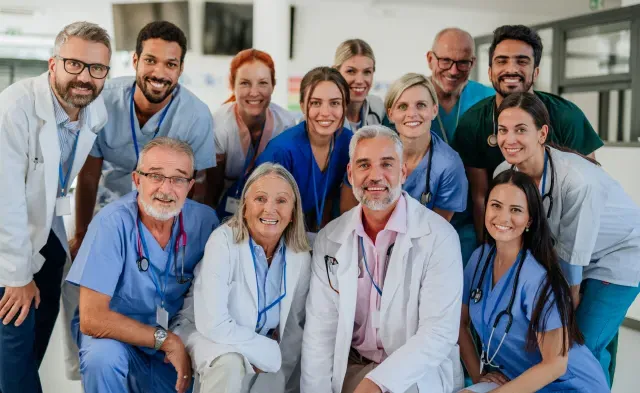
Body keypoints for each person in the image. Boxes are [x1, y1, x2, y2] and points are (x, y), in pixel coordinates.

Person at [65, 21, 216, 378]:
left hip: (165, 210)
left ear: (180, 68)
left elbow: (204, 183)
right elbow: (89, 170)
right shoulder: (106, 100)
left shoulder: (194, 115)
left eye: (171, 64)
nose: (159, 72)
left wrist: (192, 229)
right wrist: (84, 230)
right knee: (91, 303)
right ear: (134, 61)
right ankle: (87, 366)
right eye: (151, 60)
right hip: (108, 208)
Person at [302, 125, 464, 393]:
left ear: (403, 172)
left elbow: (438, 333)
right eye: (364, 165)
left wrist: (376, 384)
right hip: (354, 366)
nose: (375, 176)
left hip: (415, 371)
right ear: (350, 174)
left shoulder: (439, 236)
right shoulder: (330, 238)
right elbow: (320, 333)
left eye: (386, 164)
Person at [493, 92, 640, 387]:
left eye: (521, 129)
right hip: (570, 258)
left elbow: (572, 262)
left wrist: (566, 310)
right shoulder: (505, 174)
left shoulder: (577, 181)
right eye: (503, 130)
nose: (510, 139)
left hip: (620, 255)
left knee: (579, 345)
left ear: (542, 133)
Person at [0, 21, 111, 393]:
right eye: (75, 64)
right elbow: (7, 200)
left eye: (97, 69)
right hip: (8, 249)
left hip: (47, 238)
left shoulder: (94, 115)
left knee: (33, 351)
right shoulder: (16, 108)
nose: (85, 77)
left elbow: (57, 183)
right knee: (13, 365)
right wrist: (17, 277)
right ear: (53, 64)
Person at [66, 138, 219, 393]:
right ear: (137, 180)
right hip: (117, 337)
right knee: (102, 359)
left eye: (178, 179)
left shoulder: (205, 223)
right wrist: (165, 341)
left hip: (176, 337)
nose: (166, 189)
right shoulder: (111, 224)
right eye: (156, 176)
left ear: (190, 186)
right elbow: (92, 319)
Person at [451, 24, 603, 265]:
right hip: (512, 231)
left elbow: (592, 189)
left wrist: (576, 266)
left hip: (576, 239)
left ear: (536, 71)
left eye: (522, 61)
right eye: (502, 61)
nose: (511, 69)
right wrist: (490, 253)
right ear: (490, 71)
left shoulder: (565, 116)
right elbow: (481, 197)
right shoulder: (473, 123)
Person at [459, 170, 610, 393]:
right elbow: (459, 325)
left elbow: (556, 365)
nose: (502, 218)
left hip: (570, 386)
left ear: (529, 219)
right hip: (521, 382)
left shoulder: (536, 279)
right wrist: (478, 376)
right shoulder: (479, 259)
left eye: (516, 210)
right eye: (496, 205)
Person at [173, 163, 311, 393]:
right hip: (204, 333)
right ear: (245, 206)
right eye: (260, 199)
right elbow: (213, 324)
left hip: (262, 345)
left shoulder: (300, 256)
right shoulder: (223, 242)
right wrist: (266, 352)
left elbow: (292, 329)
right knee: (229, 363)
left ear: (293, 211)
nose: (270, 209)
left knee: (276, 381)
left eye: (281, 201)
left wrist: (276, 364)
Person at [340, 73, 467, 222]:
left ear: (434, 110)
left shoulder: (449, 165)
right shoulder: (370, 148)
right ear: (390, 114)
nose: (412, 114)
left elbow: (436, 229)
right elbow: (348, 214)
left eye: (421, 105)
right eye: (402, 106)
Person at [255, 66, 353, 236]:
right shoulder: (282, 151)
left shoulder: (348, 143)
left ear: (345, 106)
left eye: (335, 103)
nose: (325, 112)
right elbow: (257, 212)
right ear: (302, 106)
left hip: (307, 229)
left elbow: (329, 198)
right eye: (315, 103)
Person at [210, 49, 297, 219]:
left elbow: (286, 185)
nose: (254, 92)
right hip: (224, 208)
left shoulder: (285, 124)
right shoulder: (219, 124)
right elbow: (211, 190)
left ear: (273, 85)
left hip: (270, 209)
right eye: (245, 83)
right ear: (232, 85)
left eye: (263, 83)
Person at [427, 27, 495, 144]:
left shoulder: (490, 99)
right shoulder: (408, 96)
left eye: (463, 62)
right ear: (430, 59)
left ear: (472, 62)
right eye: (445, 61)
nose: (453, 71)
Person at [334, 39, 386, 131]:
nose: (360, 80)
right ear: (335, 72)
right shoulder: (319, 116)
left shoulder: (378, 107)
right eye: (351, 71)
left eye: (367, 72)